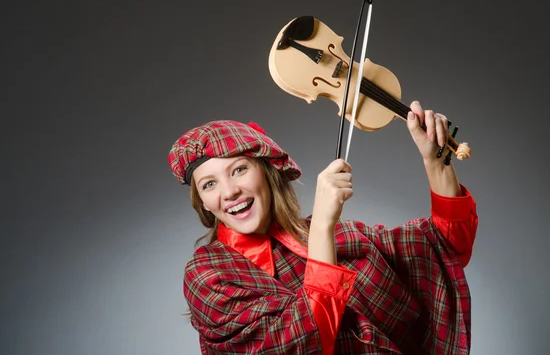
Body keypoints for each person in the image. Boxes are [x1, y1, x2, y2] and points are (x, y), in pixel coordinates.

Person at [167, 100, 478, 354]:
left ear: (266, 173)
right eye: (209, 184)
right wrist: (321, 232)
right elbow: (303, 341)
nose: (229, 191)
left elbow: (446, 249)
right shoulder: (207, 274)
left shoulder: (337, 235)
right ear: (204, 203)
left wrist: (436, 162)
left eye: (238, 170)